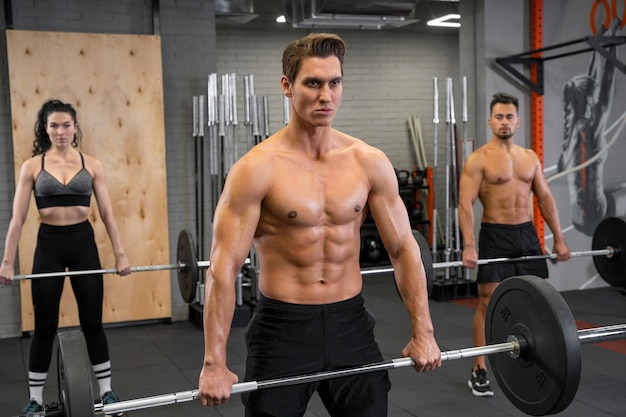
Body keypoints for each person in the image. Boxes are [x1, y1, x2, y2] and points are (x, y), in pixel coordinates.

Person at [197, 33, 441, 416]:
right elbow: (223, 268)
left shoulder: (368, 161)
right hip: (282, 328)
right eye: (312, 83)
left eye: (334, 82)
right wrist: (214, 361)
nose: (325, 95)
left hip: (351, 323)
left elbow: (404, 248)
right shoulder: (256, 169)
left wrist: (423, 330)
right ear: (287, 86)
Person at [0, 99, 131, 414]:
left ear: (75, 127)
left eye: (66, 125)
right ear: (45, 129)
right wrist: (7, 261)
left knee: (92, 322)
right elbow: (17, 219)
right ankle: (34, 399)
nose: (60, 131)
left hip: (83, 244)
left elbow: (108, 216)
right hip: (49, 246)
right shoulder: (32, 166)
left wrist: (120, 254)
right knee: (44, 326)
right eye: (54, 125)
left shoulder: (92, 165)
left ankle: (107, 392)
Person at [458, 92, 571, 397]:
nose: (504, 122)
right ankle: (479, 368)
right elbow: (465, 204)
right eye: (498, 117)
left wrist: (558, 237)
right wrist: (469, 245)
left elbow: (545, 199)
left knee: (540, 299)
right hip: (494, 234)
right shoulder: (478, 159)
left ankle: (539, 357)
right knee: (486, 301)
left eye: (509, 117)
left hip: (526, 234)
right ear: (490, 120)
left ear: (517, 121)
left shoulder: (529, 158)